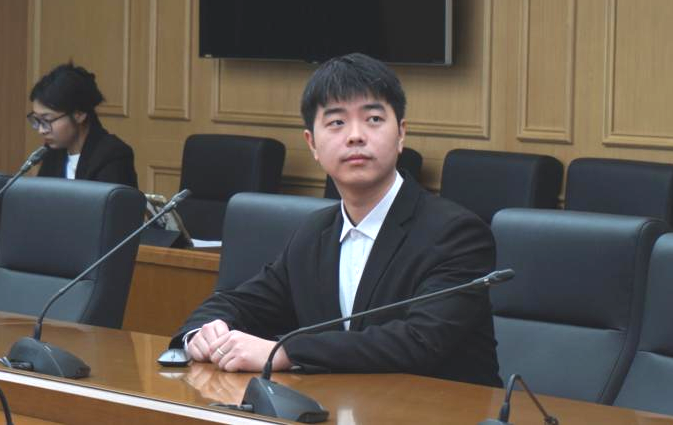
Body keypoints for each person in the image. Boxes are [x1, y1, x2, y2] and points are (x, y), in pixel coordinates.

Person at [173, 53, 500, 387]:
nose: (355, 136)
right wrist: (202, 332)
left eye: (373, 119)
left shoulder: (456, 233)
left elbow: (419, 341)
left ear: (401, 134)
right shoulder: (314, 232)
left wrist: (284, 352)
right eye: (336, 122)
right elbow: (241, 301)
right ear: (312, 144)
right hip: (338, 405)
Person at [27, 62, 138, 188]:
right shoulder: (51, 152)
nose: (41, 130)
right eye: (37, 120)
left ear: (79, 114)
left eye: (47, 120)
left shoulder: (112, 155)